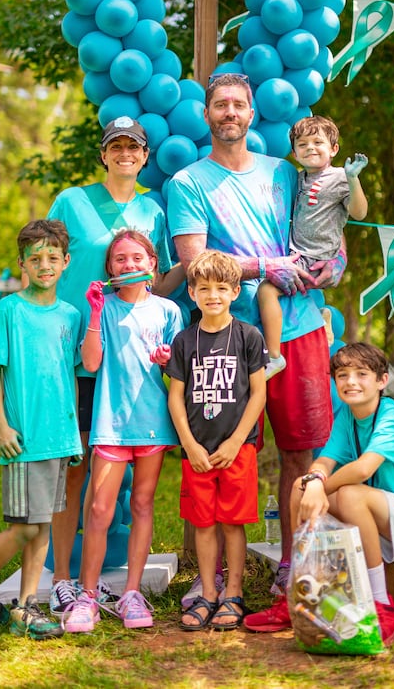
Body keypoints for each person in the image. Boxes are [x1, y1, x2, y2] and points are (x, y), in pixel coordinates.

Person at [167, 72, 341, 631]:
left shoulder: (284, 172)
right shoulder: (188, 181)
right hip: (225, 337)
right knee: (222, 457)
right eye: (220, 104)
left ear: (250, 112)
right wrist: (265, 267)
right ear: (207, 114)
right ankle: (213, 580)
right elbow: (197, 262)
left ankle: (295, 566)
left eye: (239, 104)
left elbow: (323, 226)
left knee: (302, 453)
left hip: (299, 329)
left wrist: (329, 263)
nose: (230, 112)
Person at [46, 116, 184, 617]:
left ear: (145, 156)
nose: (125, 153)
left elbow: (163, 276)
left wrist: (141, 314)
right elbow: (48, 260)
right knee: (72, 470)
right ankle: (62, 578)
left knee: (120, 483)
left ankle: (114, 584)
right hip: (74, 356)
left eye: (134, 147)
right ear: (104, 154)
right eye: (116, 146)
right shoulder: (72, 202)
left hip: (125, 366)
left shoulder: (153, 209)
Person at [0, 219, 83, 640]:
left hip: (58, 438)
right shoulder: (10, 309)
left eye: (52, 258)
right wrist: (0, 425)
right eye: (35, 258)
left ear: (66, 262)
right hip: (24, 438)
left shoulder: (71, 315)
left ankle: (26, 607)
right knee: (24, 526)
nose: (45, 265)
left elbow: (70, 377)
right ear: (22, 263)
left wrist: (73, 433)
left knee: (41, 525)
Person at [62, 229, 184, 633]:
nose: (128, 265)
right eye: (120, 260)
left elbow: (175, 370)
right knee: (99, 509)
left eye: (137, 258)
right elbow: (92, 364)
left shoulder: (168, 310)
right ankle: (88, 595)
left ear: (152, 264)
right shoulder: (104, 307)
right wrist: (95, 314)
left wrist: (168, 360)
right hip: (110, 425)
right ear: (110, 269)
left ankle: (132, 593)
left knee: (143, 505)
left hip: (152, 423)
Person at [290, 342, 394, 644]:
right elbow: (325, 459)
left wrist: (322, 486)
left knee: (349, 493)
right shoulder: (348, 417)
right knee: (300, 488)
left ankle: (381, 604)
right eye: (343, 375)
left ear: (382, 381)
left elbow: (363, 469)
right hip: (382, 511)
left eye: (362, 374)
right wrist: (312, 481)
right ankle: (300, 588)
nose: (351, 381)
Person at [167, 250, 267, 631]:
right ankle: (208, 592)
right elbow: (176, 396)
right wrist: (189, 445)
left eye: (222, 288)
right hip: (198, 451)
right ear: (191, 292)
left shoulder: (247, 336)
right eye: (204, 288)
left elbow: (258, 394)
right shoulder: (184, 340)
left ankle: (234, 593)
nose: (213, 295)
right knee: (204, 524)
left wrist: (237, 440)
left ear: (235, 291)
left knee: (232, 522)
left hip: (236, 449)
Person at [258, 114, 367, 375]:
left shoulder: (340, 177)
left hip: (315, 258)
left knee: (266, 291)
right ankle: (322, 316)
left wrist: (353, 179)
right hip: (299, 252)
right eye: (303, 144)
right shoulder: (299, 177)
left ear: (334, 149)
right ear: (294, 153)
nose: (310, 148)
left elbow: (359, 212)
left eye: (318, 142)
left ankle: (274, 357)